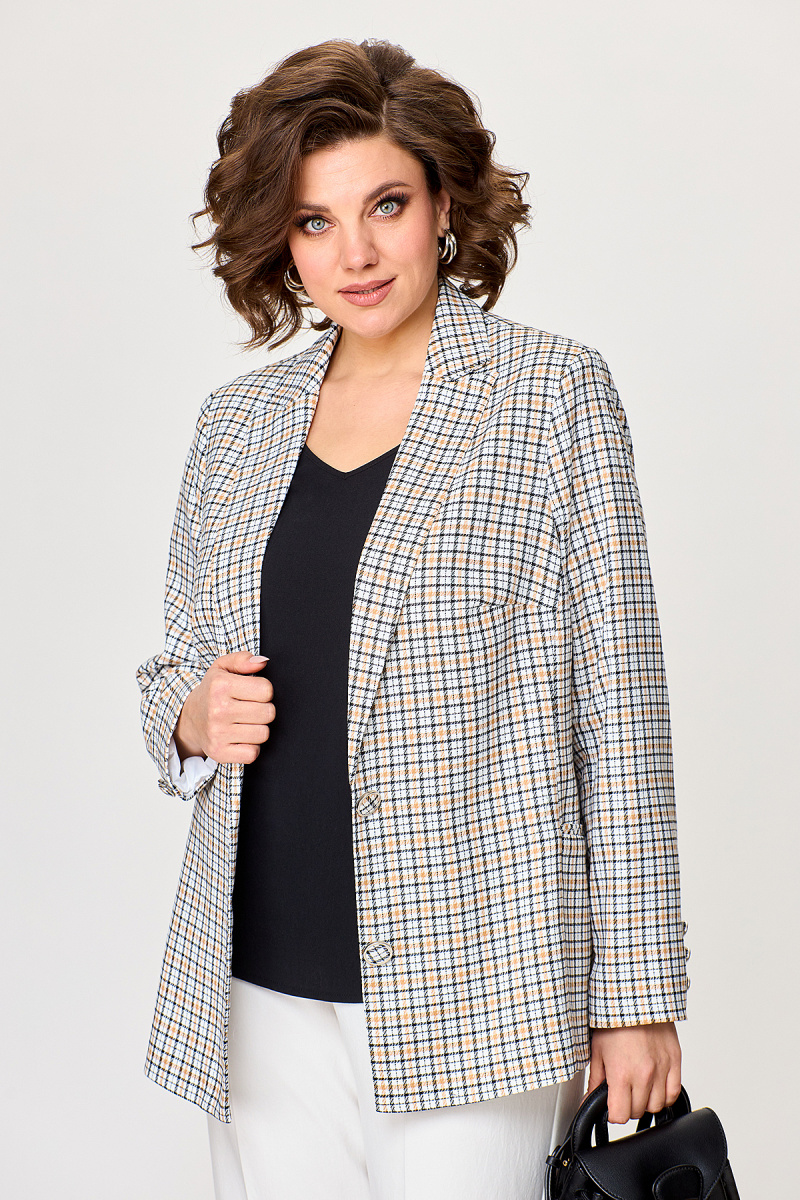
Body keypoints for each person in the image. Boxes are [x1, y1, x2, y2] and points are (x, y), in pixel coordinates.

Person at [136, 37, 689, 1200]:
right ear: (280, 241)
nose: (356, 252)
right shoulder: (235, 424)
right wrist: (188, 715)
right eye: (315, 221)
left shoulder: (550, 395)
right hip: (255, 982)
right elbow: (174, 666)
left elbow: (622, 716)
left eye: (384, 204)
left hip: (477, 984)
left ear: (442, 203)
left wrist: (636, 998)